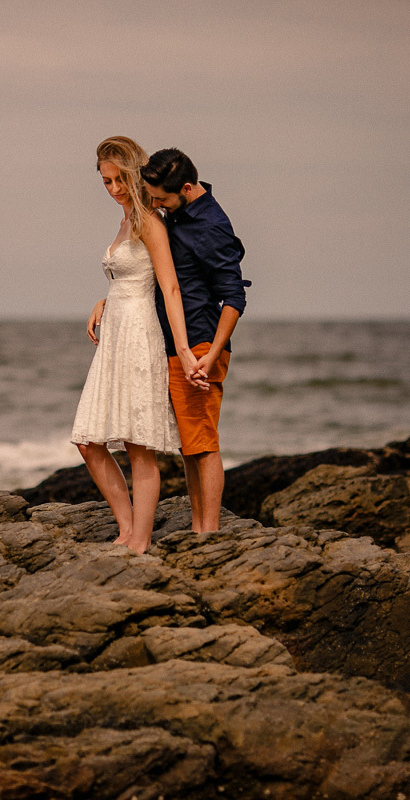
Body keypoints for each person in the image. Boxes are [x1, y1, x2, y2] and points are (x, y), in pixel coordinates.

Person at [90, 147, 249, 533]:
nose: (156, 206)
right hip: (172, 343)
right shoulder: (177, 211)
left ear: (187, 188)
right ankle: (198, 526)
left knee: (203, 443)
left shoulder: (211, 225)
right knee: (188, 446)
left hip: (199, 343)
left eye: (161, 199)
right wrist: (109, 300)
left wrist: (211, 353)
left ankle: (208, 533)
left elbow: (234, 297)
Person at [71, 136, 203, 555]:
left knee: (138, 445)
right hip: (114, 336)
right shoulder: (125, 220)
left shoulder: (149, 221)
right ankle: (126, 528)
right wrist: (104, 300)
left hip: (140, 335)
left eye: (119, 180)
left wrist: (183, 349)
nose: (113, 189)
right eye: (106, 182)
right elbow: (128, 278)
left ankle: (139, 542)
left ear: (134, 175)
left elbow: (169, 287)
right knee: (88, 441)